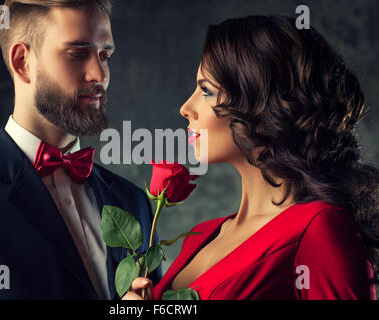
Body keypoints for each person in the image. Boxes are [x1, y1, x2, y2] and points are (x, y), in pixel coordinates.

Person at [124, 15, 378, 300]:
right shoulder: (201, 235)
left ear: (261, 105)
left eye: (206, 91)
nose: (186, 107)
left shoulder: (320, 229)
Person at [0, 0, 161, 299]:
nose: (99, 74)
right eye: (77, 54)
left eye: (105, 56)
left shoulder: (133, 201)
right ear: (22, 61)